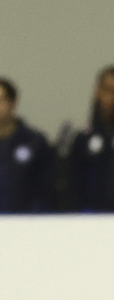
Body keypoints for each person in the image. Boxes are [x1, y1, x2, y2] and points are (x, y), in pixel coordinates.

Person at [65, 66, 114, 211]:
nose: (112, 98)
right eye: (107, 90)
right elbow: (73, 185)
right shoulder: (83, 137)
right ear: (97, 91)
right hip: (89, 218)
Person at [0, 78, 55, 213]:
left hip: (27, 222)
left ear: (13, 103)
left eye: (1, 100)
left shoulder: (34, 141)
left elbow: (46, 187)